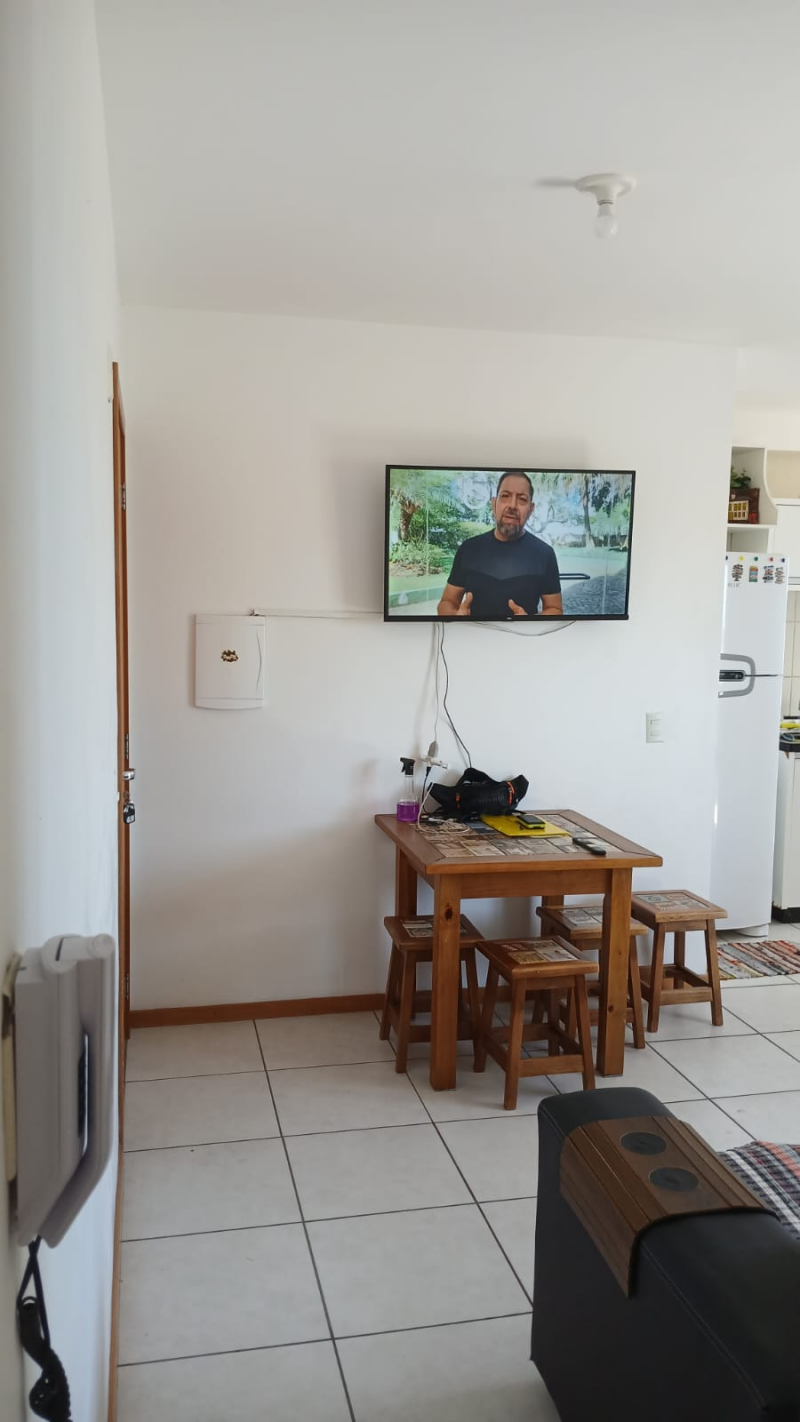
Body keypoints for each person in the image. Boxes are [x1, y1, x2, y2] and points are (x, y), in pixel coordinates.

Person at [437, 471, 563, 618]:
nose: (512, 505)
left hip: (524, 634)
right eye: (505, 496)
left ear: (530, 509)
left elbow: (555, 609)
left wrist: (529, 622)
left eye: (522, 499)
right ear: (494, 504)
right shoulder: (468, 549)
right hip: (473, 633)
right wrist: (455, 615)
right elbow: (446, 602)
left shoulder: (545, 554)